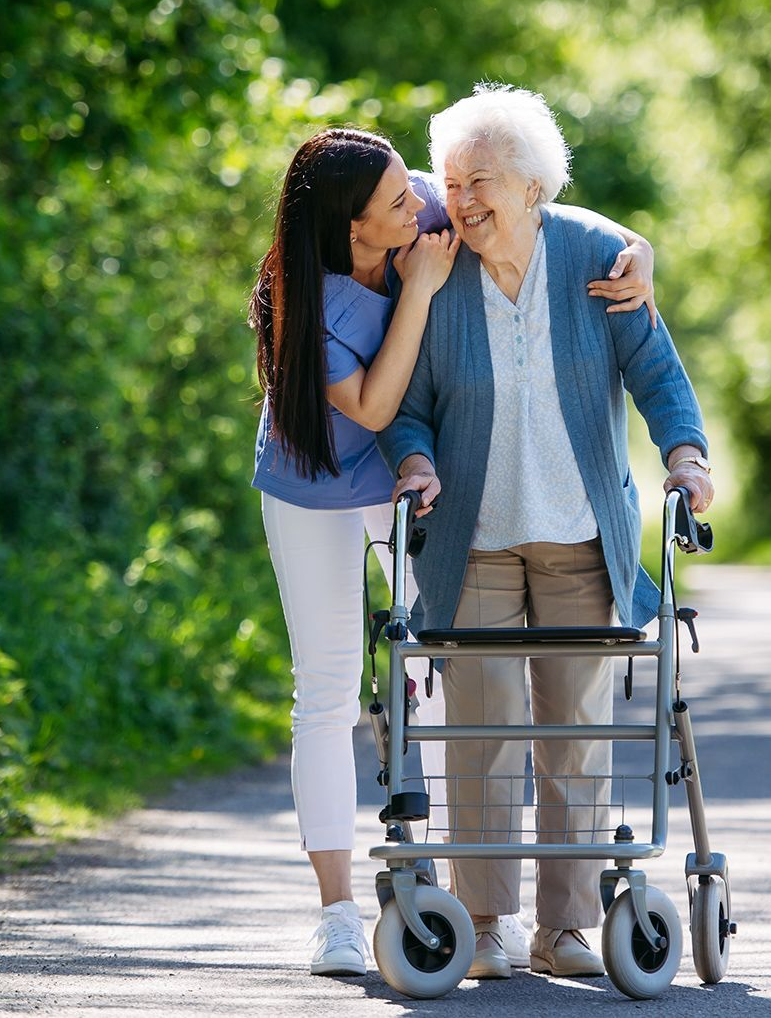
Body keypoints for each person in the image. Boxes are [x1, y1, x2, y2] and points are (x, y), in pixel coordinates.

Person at [248, 126, 660, 977]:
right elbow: (369, 406)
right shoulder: (309, 296)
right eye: (400, 201)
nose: (428, 204)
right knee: (326, 689)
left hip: (422, 481)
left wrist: (632, 247)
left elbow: (530, 206)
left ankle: (467, 898)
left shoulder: (415, 219)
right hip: (321, 480)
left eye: (416, 188)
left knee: (445, 673)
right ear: (354, 228)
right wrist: (423, 292)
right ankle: (334, 911)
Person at [379, 84, 714, 981]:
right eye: (451, 182)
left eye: (481, 179)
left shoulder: (597, 256)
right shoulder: (436, 267)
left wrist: (686, 457)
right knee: (479, 737)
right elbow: (407, 404)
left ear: (534, 185)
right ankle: (483, 922)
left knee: (575, 736)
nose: (462, 200)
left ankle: (562, 929)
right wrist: (414, 461)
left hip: (578, 535)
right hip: (473, 538)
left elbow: (656, 371)